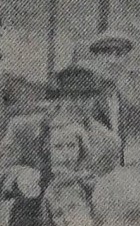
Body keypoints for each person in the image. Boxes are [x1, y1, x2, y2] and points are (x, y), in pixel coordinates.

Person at [0, 67, 119, 199]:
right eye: (72, 97)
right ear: (60, 97)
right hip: (31, 214)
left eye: (86, 97)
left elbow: (113, 190)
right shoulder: (23, 129)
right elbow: (2, 172)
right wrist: (20, 176)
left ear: (95, 98)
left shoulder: (109, 141)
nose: (79, 104)